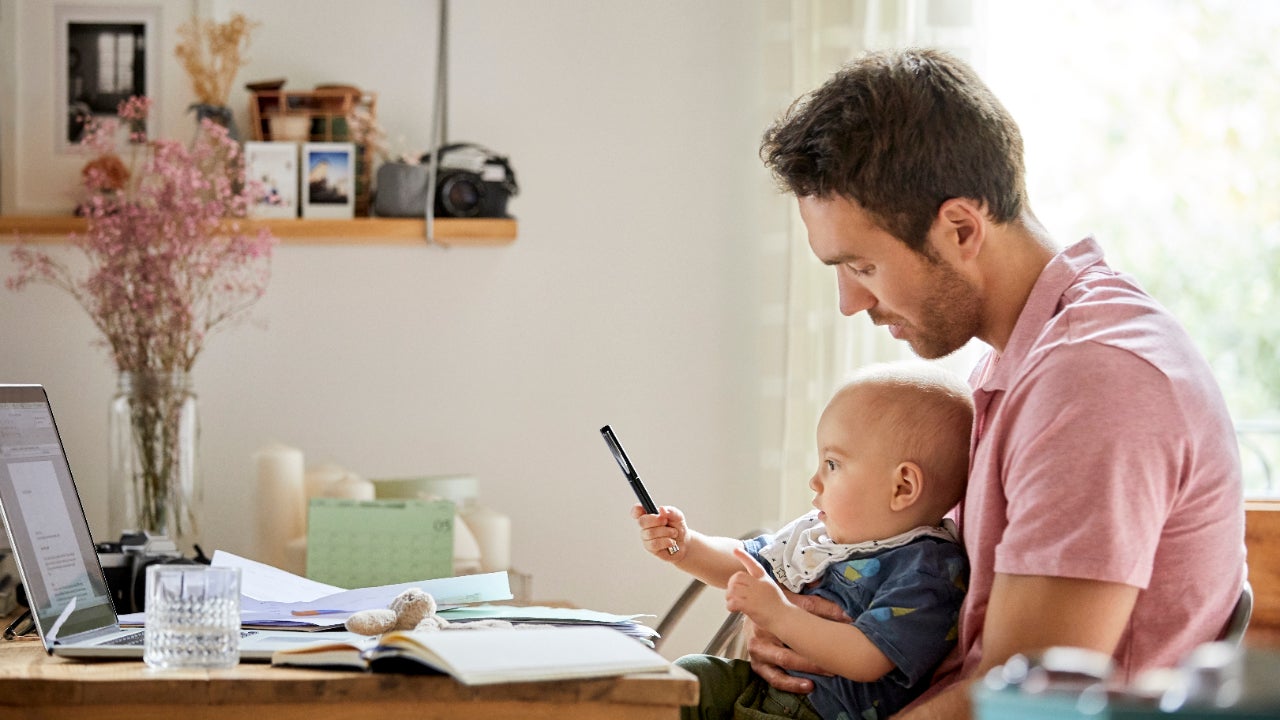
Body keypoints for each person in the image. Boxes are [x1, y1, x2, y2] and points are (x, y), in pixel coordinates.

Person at [752, 47, 1246, 719]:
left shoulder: (1093, 383)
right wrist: (806, 625)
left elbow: (1017, 708)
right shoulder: (1026, 361)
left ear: (960, 228)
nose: (850, 302)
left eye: (863, 266)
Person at [636, 362, 974, 720]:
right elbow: (745, 561)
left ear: (902, 487)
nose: (815, 480)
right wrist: (685, 546)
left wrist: (780, 614)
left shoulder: (928, 569)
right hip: (764, 689)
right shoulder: (822, 532)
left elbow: (867, 658)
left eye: (832, 463)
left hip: (818, 713)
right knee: (691, 675)